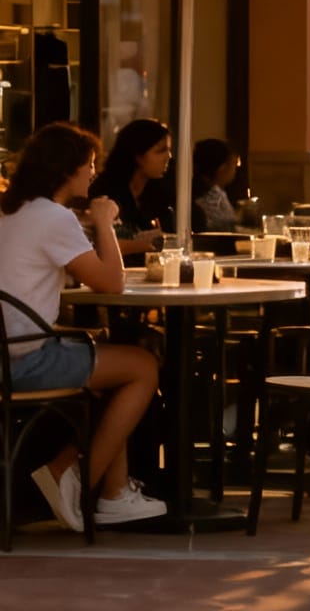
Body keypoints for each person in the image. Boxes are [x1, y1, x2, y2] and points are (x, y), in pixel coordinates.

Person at [1, 122, 168, 529]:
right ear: (66, 170)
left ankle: (114, 494)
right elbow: (111, 283)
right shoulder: (53, 216)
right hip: (24, 357)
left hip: (9, 349)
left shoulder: (12, 210)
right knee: (142, 366)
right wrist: (106, 222)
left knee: (113, 357)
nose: (93, 174)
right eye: (88, 165)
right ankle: (74, 479)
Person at [90, 118, 172, 259]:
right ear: (138, 156)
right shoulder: (105, 191)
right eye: (160, 151)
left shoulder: (158, 191)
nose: (168, 157)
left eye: (169, 150)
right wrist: (144, 243)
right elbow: (97, 244)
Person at [191, 138, 241, 232]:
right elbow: (226, 227)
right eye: (234, 165)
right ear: (222, 168)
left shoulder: (216, 191)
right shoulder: (208, 196)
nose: (235, 171)